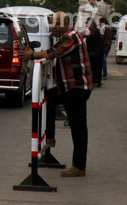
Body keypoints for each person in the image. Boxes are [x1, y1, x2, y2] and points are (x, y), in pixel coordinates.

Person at [19, 11, 92, 177]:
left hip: (77, 88)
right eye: (51, 24)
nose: (52, 28)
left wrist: (31, 55)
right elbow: (52, 50)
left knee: (78, 127)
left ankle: (79, 166)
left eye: (56, 25)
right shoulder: (65, 37)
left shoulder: (72, 37)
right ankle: (50, 138)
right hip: (68, 86)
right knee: (50, 97)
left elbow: (53, 53)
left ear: (66, 24)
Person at [86, 21, 104, 88]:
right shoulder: (95, 31)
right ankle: (96, 81)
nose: (88, 28)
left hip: (96, 53)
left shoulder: (95, 32)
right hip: (96, 53)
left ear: (92, 26)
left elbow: (88, 38)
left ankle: (95, 81)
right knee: (96, 68)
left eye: (88, 26)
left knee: (95, 68)